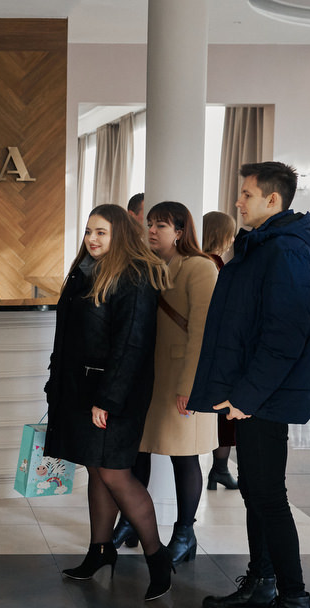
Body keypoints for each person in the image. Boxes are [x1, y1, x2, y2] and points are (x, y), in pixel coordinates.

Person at [189, 161, 310, 608]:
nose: (238, 201)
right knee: (254, 491)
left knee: (268, 496)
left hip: (264, 396)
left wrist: (246, 396)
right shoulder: (263, 244)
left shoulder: (286, 251)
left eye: (246, 194)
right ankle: (262, 584)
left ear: (273, 199)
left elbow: (284, 336)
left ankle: (295, 603)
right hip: (251, 394)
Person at [45, 204, 173, 600]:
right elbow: (68, 336)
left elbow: (132, 346)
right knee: (96, 469)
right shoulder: (84, 272)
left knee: (115, 473)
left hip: (114, 394)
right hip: (81, 390)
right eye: (88, 231)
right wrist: (56, 384)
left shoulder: (135, 276)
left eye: (101, 232)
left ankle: (158, 558)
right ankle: (100, 551)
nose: (92, 239)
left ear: (120, 234)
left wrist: (108, 400)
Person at [133, 201, 218, 565]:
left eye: (161, 225)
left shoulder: (199, 267)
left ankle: (184, 533)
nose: (152, 230)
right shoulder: (148, 265)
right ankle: (130, 521)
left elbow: (202, 332)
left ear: (180, 232)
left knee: (184, 456)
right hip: (150, 377)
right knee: (138, 450)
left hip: (183, 378)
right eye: (150, 224)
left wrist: (190, 386)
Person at [201, 210, 239, 490]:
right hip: (216, 348)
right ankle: (220, 468)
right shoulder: (212, 265)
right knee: (223, 411)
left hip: (210, 346)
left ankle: (220, 469)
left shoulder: (202, 261)